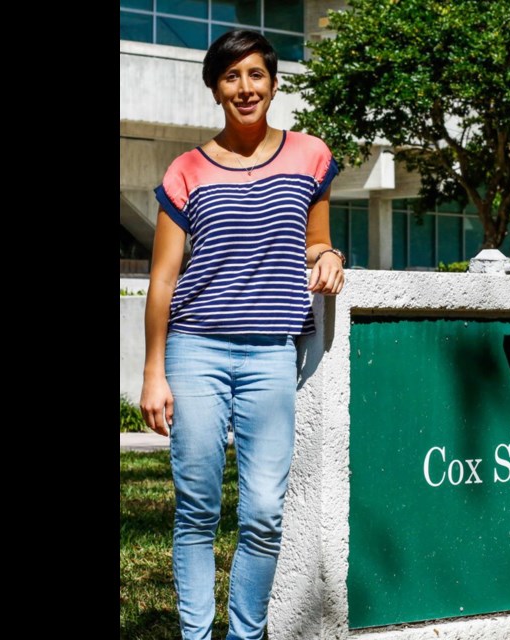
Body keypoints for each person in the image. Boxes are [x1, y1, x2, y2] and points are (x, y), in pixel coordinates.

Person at [139, 29, 345, 640]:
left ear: (274, 84)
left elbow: (315, 238)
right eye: (231, 76)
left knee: (262, 512)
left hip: (271, 355)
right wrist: (153, 372)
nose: (245, 87)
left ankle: (245, 635)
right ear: (214, 89)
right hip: (196, 348)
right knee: (198, 507)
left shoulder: (310, 155)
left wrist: (328, 253)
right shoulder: (186, 170)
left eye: (256, 74)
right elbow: (162, 279)